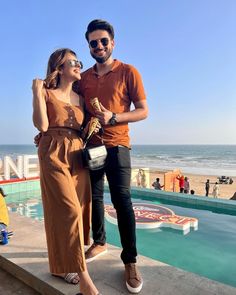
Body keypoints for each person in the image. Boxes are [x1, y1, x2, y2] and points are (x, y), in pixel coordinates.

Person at [78, 19, 148, 294]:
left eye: (103, 41)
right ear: (89, 46)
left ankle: (130, 261)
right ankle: (100, 241)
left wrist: (114, 117)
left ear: (112, 43)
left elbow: (143, 110)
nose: (99, 46)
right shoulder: (83, 78)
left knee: (122, 201)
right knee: (94, 197)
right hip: (91, 147)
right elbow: (69, 104)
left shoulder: (128, 71)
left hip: (118, 145)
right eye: (93, 43)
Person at [32, 48, 101, 295]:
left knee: (79, 209)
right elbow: (41, 125)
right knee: (67, 211)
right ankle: (85, 280)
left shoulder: (81, 98)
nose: (78, 65)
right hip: (53, 152)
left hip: (77, 152)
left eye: (79, 62)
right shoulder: (46, 93)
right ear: (59, 68)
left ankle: (60, 267)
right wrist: (36, 93)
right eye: (73, 62)